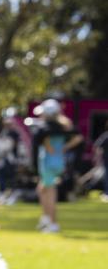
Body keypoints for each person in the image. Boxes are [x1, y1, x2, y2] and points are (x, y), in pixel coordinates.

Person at [31, 99, 83, 233]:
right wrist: (65, 147)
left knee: (50, 191)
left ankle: (52, 222)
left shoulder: (45, 128)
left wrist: (58, 147)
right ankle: (45, 218)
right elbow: (78, 137)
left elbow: (41, 142)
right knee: (42, 189)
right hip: (58, 162)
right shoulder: (63, 127)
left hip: (48, 163)